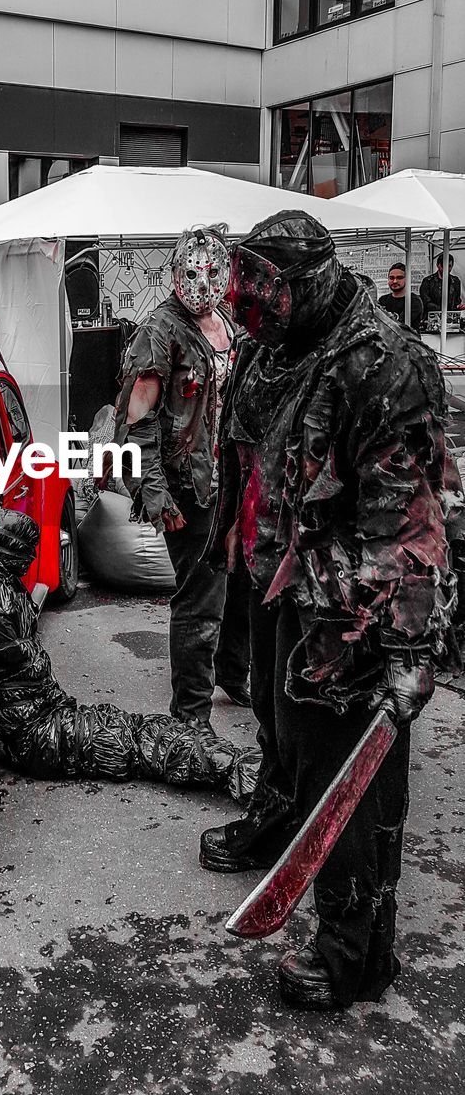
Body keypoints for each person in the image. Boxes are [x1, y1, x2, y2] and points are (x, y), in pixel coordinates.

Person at [200, 209, 461, 1010]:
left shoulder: (385, 365)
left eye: (267, 291)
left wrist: (410, 651)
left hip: (350, 613)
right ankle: (277, 829)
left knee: (349, 785)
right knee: (281, 732)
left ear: (310, 283)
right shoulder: (276, 348)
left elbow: (413, 523)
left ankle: (355, 952)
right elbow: (247, 451)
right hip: (279, 577)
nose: (252, 307)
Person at [0, 509, 260, 804]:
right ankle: (232, 768)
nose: (32, 560)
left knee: (138, 731)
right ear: (13, 550)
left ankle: (228, 760)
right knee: (132, 741)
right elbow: (20, 673)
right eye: (28, 552)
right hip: (34, 732)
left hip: (42, 717)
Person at [113, 227, 250, 719]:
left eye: (212, 271)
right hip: (187, 487)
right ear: (175, 272)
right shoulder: (159, 332)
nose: (201, 281)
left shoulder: (229, 326)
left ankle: (235, 674)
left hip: (231, 480)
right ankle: (189, 716)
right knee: (200, 597)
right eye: (192, 271)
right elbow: (136, 421)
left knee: (242, 584)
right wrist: (154, 492)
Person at [377, 263, 424, 328]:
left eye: (399, 278)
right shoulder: (383, 300)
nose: (395, 281)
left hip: (407, 337)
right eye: (391, 278)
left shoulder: (413, 301)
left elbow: (400, 325)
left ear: (407, 279)